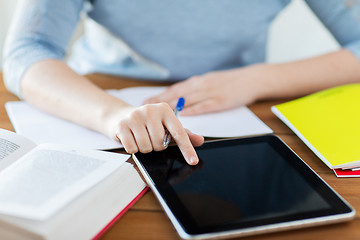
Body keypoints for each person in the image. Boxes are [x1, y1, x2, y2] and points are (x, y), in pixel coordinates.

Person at [3, 0, 360, 165]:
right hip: (95, 98)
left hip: (236, 113)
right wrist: (114, 115)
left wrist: (256, 79)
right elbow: (25, 51)